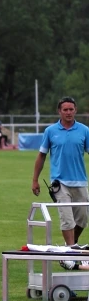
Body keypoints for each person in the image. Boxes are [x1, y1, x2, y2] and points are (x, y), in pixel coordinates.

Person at [32, 97, 89, 248]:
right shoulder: (50, 131)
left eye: (71, 109)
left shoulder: (84, 130)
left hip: (80, 181)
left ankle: (71, 244)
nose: (69, 112)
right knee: (67, 219)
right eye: (65, 110)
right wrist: (35, 180)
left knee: (82, 219)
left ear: (75, 110)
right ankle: (70, 253)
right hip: (59, 182)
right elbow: (41, 156)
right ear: (59, 111)